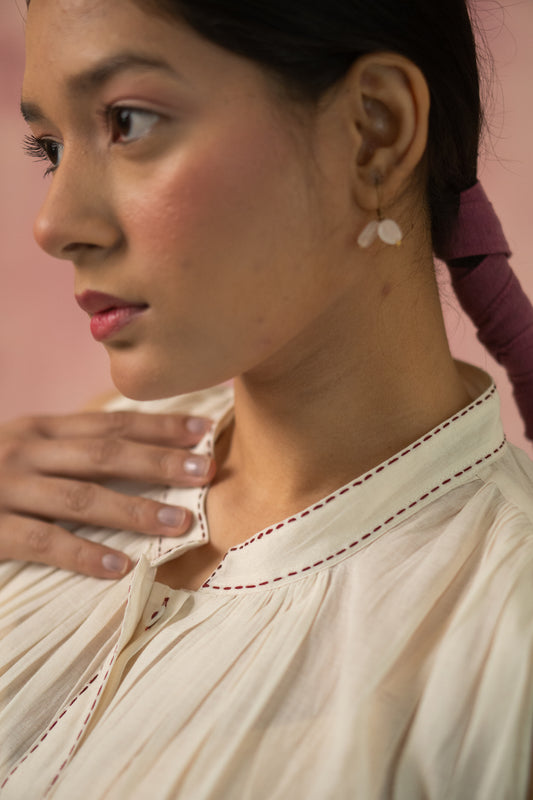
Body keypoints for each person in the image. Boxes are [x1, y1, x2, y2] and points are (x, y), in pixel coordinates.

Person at [1, 0, 533, 797]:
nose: (53, 224)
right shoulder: (70, 470)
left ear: (374, 131)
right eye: (51, 147)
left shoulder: (505, 649)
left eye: (128, 121)